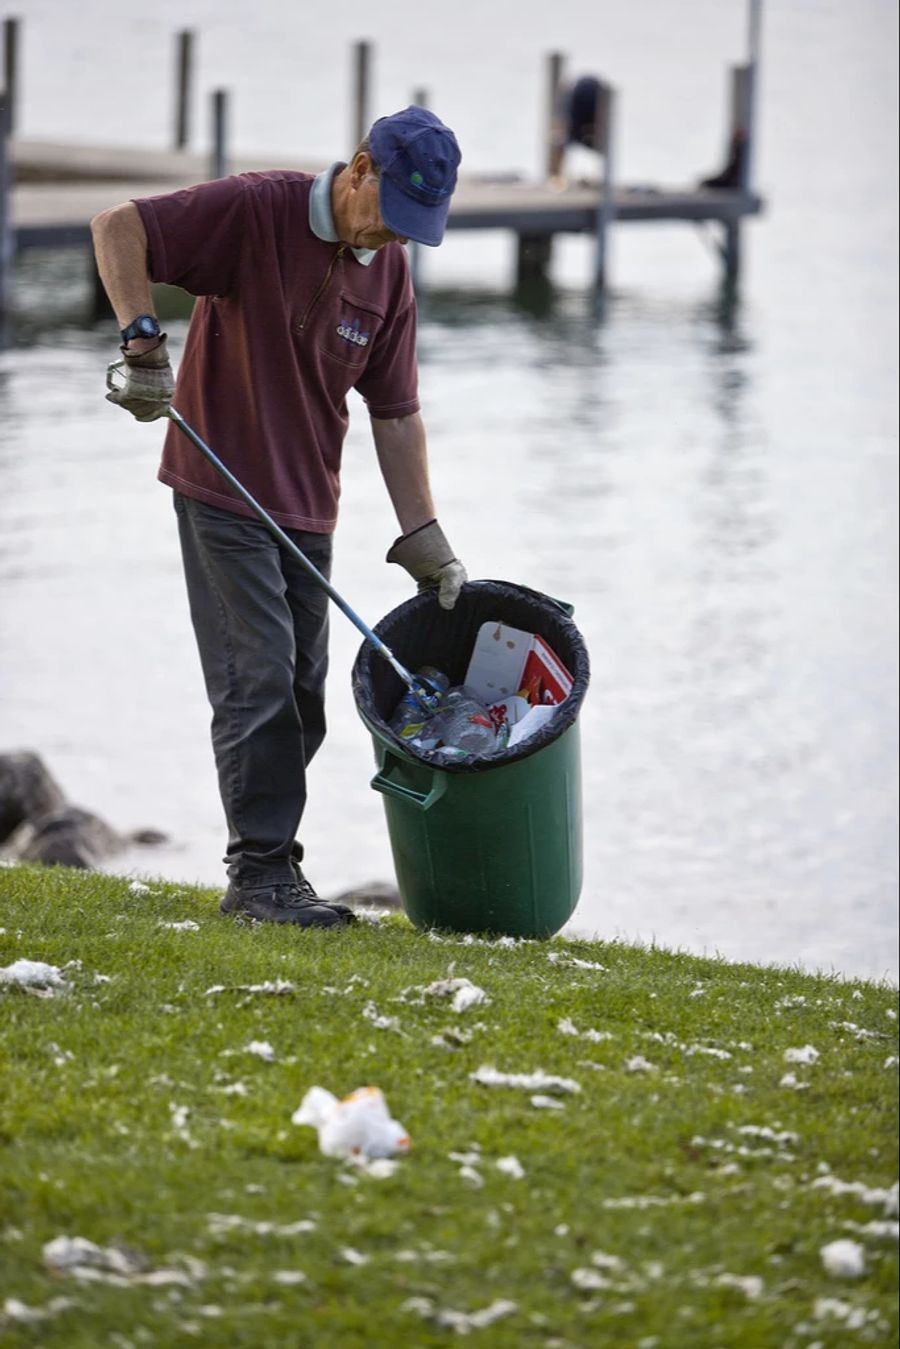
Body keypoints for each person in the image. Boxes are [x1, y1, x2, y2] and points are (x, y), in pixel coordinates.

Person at [90, 106, 467, 930]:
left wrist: (425, 537)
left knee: (303, 692)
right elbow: (118, 229)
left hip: (308, 508)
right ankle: (259, 876)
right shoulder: (256, 209)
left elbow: (396, 413)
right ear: (361, 167)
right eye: (391, 216)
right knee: (256, 679)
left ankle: (267, 865)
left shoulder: (389, 274)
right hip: (221, 487)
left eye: (416, 228)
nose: (397, 238)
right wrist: (143, 342)